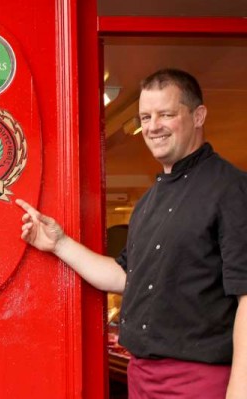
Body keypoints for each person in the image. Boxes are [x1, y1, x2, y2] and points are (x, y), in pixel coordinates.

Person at [16, 69, 247, 398]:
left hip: (199, 380)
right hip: (142, 377)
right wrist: (59, 244)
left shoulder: (232, 188)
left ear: (198, 116)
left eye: (166, 114)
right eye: (145, 116)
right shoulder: (148, 201)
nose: (153, 126)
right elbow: (125, 276)